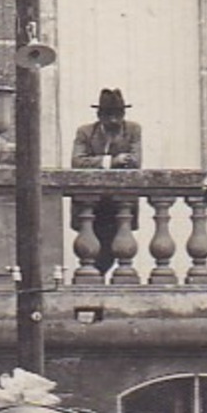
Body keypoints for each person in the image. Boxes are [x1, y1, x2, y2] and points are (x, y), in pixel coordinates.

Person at [69, 88, 142, 274]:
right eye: (109, 115)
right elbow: (77, 162)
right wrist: (111, 161)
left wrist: (98, 162)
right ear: (99, 115)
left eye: (119, 115)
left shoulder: (133, 130)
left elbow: (135, 161)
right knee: (92, 250)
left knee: (115, 248)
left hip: (119, 203)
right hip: (92, 204)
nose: (114, 120)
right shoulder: (85, 132)